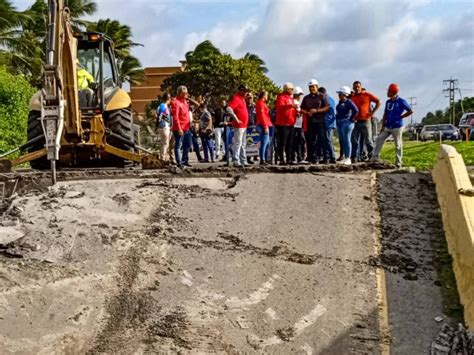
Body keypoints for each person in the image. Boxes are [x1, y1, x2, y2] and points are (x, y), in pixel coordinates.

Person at [372, 83, 413, 168]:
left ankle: (398, 162)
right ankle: (375, 157)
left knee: (398, 144)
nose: (387, 92)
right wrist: (383, 126)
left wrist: (402, 116)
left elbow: (410, 111)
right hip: (388, 126)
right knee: (379, 139)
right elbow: (385, 114)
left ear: (393, 92)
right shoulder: (388, 102)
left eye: (388, 91)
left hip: (397, 127)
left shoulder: (401, 101)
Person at [300, 79, 330, 163]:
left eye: (313, 87)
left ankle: (326, 158)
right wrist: (307, 112)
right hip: (311, 121)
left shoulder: (322, 96)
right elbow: (302, 108)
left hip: (320, 121)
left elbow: (327, 107)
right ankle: (312, 158)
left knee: (323, 139)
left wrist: (316, 111)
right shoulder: (306, 98)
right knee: (311, 140)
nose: (311, 88)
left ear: (317, 86)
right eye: (310, 87)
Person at [350, 81, 381, 162]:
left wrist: (372, 112)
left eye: (358, 87)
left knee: (368, 140)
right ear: (353, 88)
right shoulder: (352, 97)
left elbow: (378, 101)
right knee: (354, 140)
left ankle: (373, 156)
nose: (357, 88)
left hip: (365, 121)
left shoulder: (367, 95)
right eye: (355, 87)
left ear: (361, 87)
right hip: (355, 121)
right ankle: (354, 157)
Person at [227, 84, 249, 167]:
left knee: (243, 144)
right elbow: (229, 109)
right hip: (239, 125)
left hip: (244, 125)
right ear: (240, 90)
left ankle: (243, 160)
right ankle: (236, 160)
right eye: (244, 91)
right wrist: (236, 119)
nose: (246, 93)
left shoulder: (242, 99)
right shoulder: (236, 98)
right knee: (238, 143)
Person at [335, 86, 359, 165]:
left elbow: (356, 110)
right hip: (340, 122)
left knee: (347, 139)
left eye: (340, 94)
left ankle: (348, 158)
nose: (339, 95)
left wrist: (351, 118)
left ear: (345, 94)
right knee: (343, 140)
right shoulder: (340, 102)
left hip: (347, 122)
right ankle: (345, 157)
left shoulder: (349, 102)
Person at [275, 82, 297, 165]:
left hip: (290, 123)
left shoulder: (290, 98)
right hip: (283, 124)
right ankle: (281, 159)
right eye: (291, 89)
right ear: (287, 89)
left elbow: (291, 108)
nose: (292, 90)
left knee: (290, 143)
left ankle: (289, 159)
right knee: (282, 143)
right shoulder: (281, 97)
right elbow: (280, 106)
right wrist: (290, 105)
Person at [171, 85, 192, 168]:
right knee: (178, 145)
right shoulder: (176, 102)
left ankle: (185, 160)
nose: (186, 94)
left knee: (188, 144)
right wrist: (179, 128)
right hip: (179, 128)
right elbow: (175, 116)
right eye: (184, 93)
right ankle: (179, 162)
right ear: (180, 93)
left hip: (187, 128)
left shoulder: (185, 102)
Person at [318, 87, 336, 164]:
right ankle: (326, 157)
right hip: (325, 122)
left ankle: (332, 157)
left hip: (328, 122)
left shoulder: (328, 100)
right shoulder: (328, 99)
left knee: (328, 140)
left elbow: (331, 112)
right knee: (324, 140)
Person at [155, 92, 174, 163]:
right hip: (164, 127)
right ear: (169, 99)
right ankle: (163, 159)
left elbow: (156, 115)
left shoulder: (160, 106)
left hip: (162, 127)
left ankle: (163, 157)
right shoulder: (164, 106)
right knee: (165, 143)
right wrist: (162, 124)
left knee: (164, 143)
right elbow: (160, 116)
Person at [255, 91, 272, 165]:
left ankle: (265, 158)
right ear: (264, 96)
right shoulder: (260, 103)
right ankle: (263, 159)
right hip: (262, 124)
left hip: (265, 124)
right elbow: (262, 116)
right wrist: (265, 126)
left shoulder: (262, 103)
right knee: (264, 143)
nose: (267, 96)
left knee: (267, 142)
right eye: (266, 95)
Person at [292, 87, 306, 163]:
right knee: (298, 142)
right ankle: (297, 157)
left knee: (300, 142)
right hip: (295, 125)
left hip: (299, 125)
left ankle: (298, 157)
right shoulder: (294, 102)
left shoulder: (297, 103)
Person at [246, 92, 257, 164]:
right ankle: (245, 158)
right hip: (245, 126)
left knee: (251, 143)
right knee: (245, 143)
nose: (250, 98)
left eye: (251, 97)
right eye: (248, 97)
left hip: (253, 126)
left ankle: (250, 158)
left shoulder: (254, 107)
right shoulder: (243, 106)